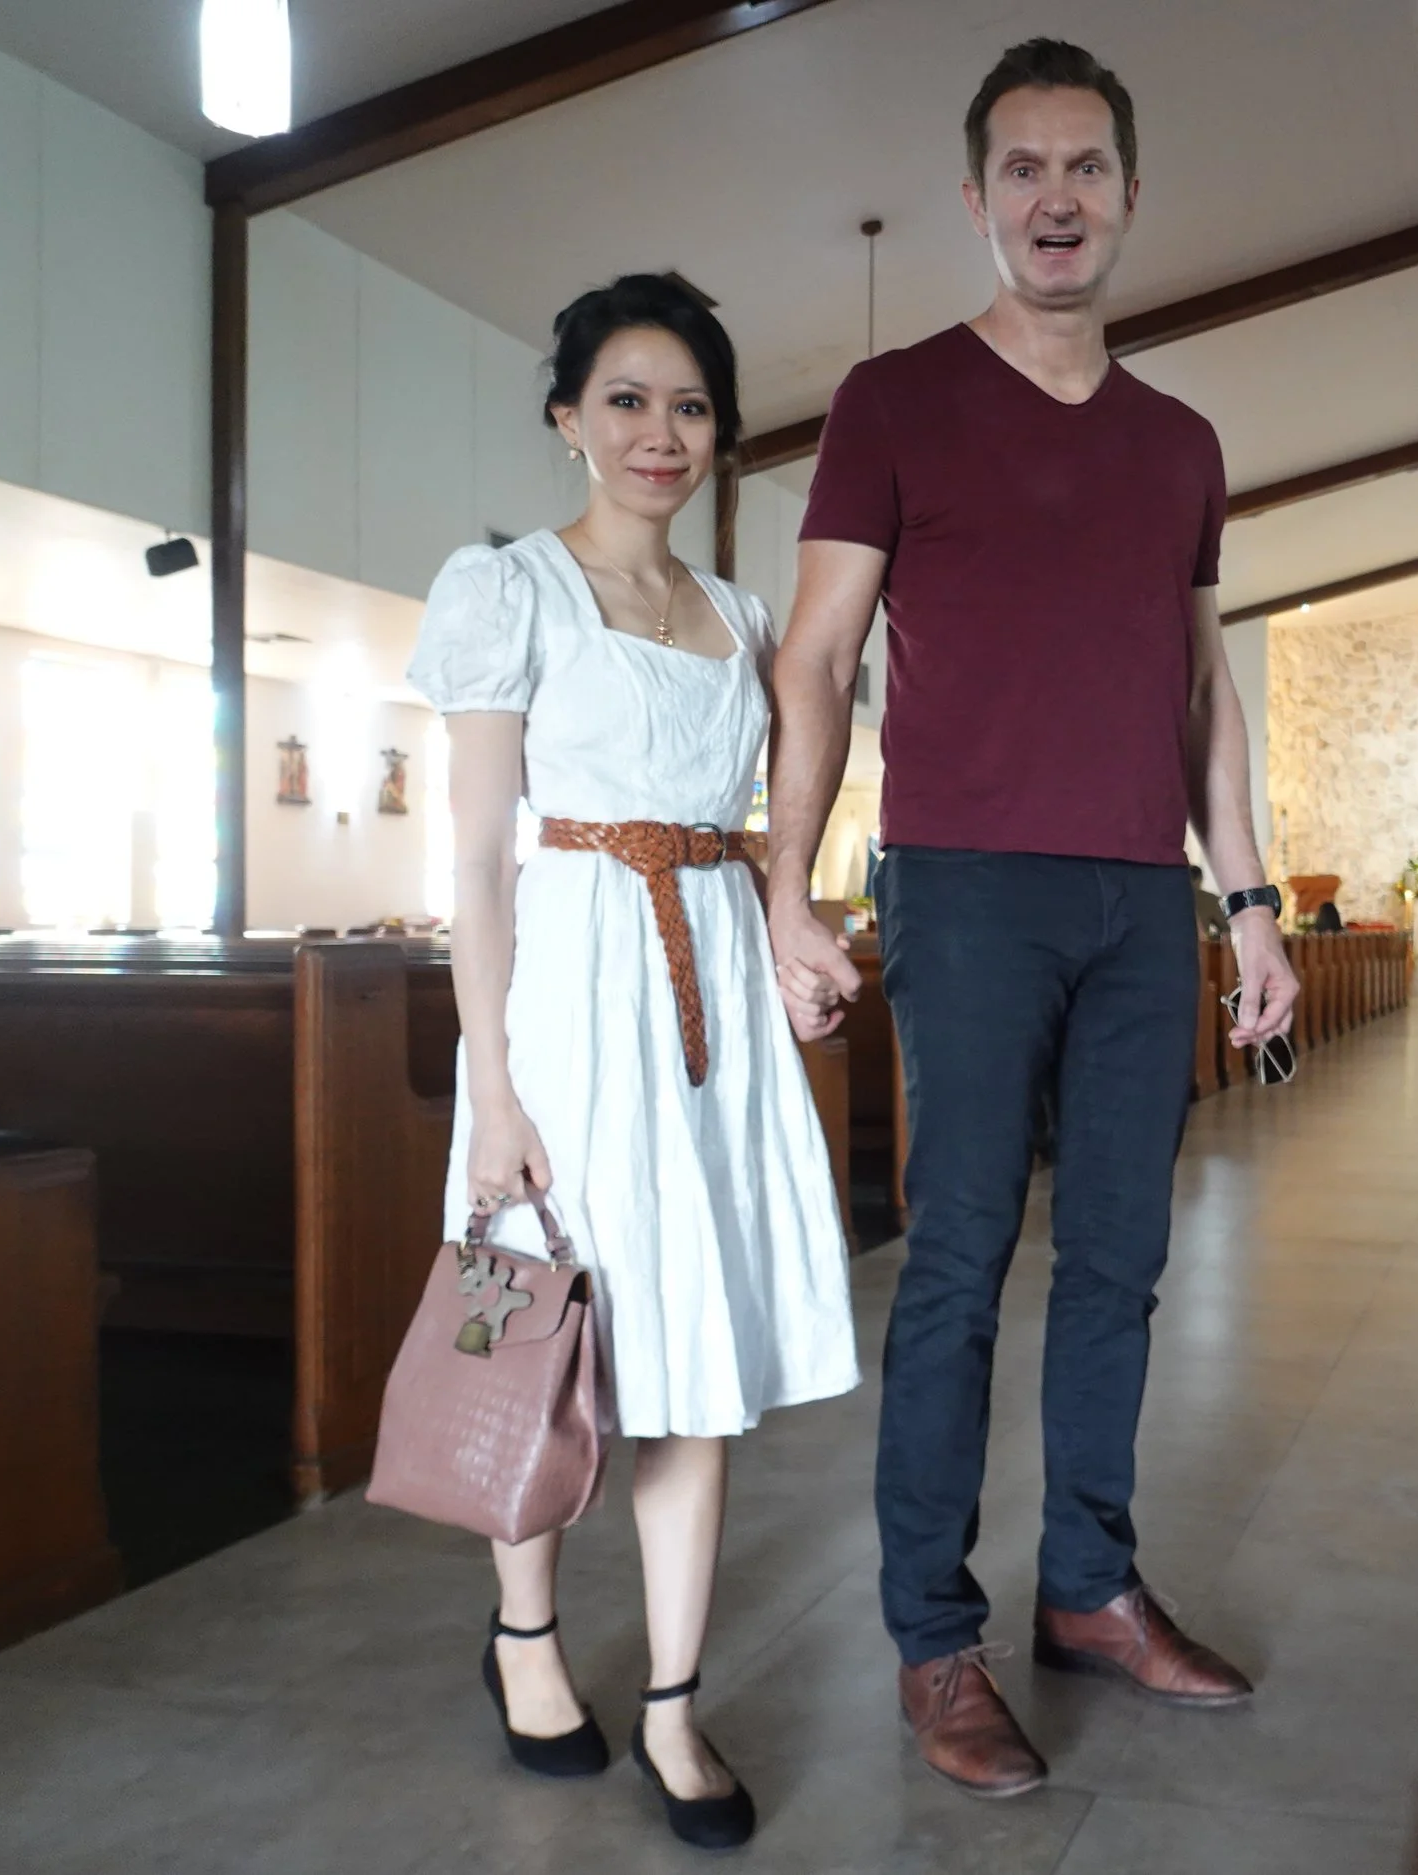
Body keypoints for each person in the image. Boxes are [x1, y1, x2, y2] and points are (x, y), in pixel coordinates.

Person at [762, 38, 1301, 1800]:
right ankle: (936, 1634)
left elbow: (1203, 688)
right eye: (1023, 168)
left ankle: (1089, 1586)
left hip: (1145, 897)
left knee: (1124, 1262)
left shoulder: (1182, 442)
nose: (1056, 198)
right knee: (962, 1259)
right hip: (967, 885)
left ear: (1131, 194)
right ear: (976, 196)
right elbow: (818, 657)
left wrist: (1252, 901)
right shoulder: (892, 400)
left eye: (1086, 167)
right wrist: (787, 885)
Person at [408, 274, 859, 1852]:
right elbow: (478, 865)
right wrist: (494, 1089)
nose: (659, 433)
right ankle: (525, 1638)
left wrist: (789, 955)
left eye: (689, 406)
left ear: (719, 432)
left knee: (692, 1360)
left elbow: (766, 843)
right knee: (541, 1327)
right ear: (568, 418)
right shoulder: (509, 590)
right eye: (625, 399)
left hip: (707, 1001)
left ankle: (674, 1698)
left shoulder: (743, 618)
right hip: (565, 1003)